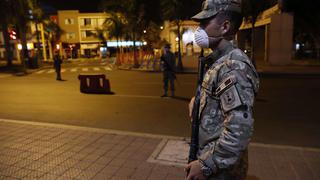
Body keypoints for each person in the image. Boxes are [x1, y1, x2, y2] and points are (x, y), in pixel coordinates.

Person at [185, 0, 260, 179]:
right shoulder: (218, 61)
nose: (199, 29)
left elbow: (238, 129)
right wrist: (199, 103)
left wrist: (206, 165)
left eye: (205, 23)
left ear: (225, 27)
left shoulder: (233, 66)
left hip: (221, 172)